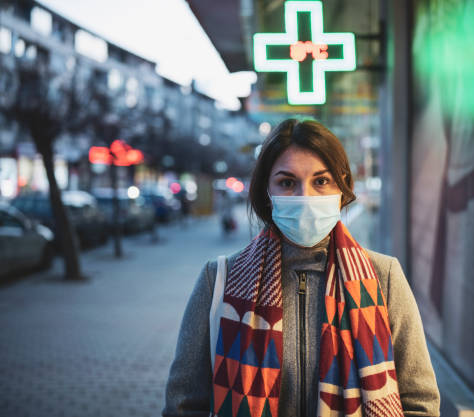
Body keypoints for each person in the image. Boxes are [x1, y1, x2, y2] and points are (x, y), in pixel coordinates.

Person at [162, 119, 440, 417]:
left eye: (321, 181)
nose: (305, 197)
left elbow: (419, 402)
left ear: (341, 186)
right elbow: (184, 406)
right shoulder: (219, 280)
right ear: (266, 193)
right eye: (287, 182)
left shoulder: (383, 277)